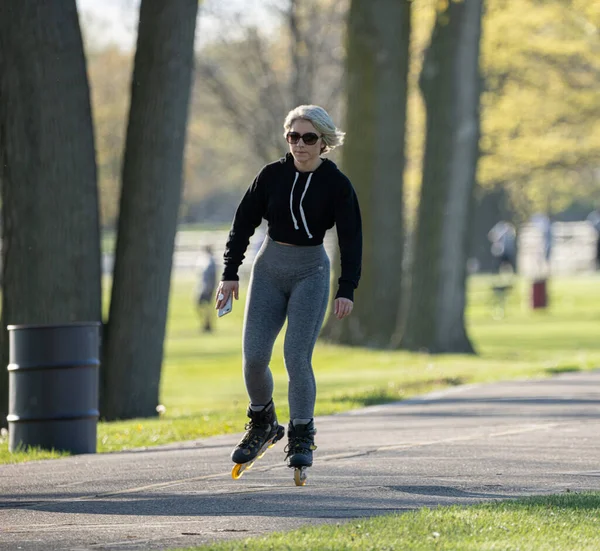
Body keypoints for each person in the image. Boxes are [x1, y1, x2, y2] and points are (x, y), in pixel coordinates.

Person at [215, 104, 362, 475]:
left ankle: (301, 433)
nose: (299, 145)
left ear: (324, 142)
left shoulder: (337, 184)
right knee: (253, 358)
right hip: (269, 269)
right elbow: (243, 223)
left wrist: (347, 288)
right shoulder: (271, 176)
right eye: (293, 137)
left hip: (311, 271)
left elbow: (351, 239)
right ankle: (263, 421)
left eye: (308, 138)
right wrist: (229, 272)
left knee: (296, 357)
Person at [195, 245, 217, 332]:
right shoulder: (206, 260)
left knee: (203, 306)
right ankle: (206, 324)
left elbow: (211, 277)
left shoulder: (210, 261)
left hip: (207, 288)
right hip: (205, 287)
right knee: (204, 306)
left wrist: (209, 288)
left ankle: (207, 324)